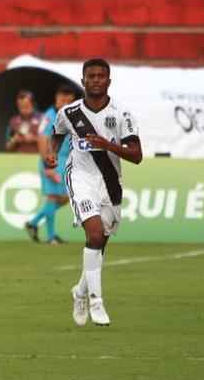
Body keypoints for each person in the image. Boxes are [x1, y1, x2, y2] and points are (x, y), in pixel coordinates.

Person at [45, 59, 142, 326]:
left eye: (101, 76)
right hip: (80, 176)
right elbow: (57, 133)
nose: (97, 80)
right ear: (83, 80)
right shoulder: (69, 112)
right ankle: (96, 302)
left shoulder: (122, 114)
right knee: (95, 233)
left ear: (109, 81)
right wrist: (52, 152)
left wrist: (107, 146)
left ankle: (79, 291)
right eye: (92, 76)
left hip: (110, 182)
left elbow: (137, 155)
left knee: (100, 244)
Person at [28, 84, 78, 244]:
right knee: (53, 197)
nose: (66, 102)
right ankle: (50, 236)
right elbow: (42, 139)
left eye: (69, 100)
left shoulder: (68, 116)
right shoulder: (50, 116)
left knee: (63, 198)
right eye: (63, 99)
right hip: (53, 160)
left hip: (64, 160)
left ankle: (34, 223)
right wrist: (48, 166)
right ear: (57, 98)